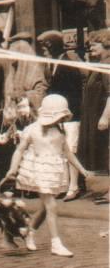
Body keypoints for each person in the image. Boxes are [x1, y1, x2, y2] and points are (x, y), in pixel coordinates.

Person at [6, 95, 90, 257]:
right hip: (38, 171)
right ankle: (56, 243)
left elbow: (67, 153)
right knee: (51, 205)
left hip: (53, 173)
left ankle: (29, 231)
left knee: (45, 207)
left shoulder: (59, 132)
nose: (59, 121)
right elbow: (19, 150)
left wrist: (82, 169)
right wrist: (13, 168)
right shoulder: (32, 130)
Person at [37, 30, 85, 201]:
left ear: (52, 46)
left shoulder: (68, 63)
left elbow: (74, 91)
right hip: (59, 115)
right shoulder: (53, 63)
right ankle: (65, 185)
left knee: (71, 148)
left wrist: (67, 113)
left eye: (45, 47)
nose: (43, 51)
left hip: (70, 115)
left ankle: (74, 186)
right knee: (62, 149)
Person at [77, 29, 110, 205]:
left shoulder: (107, 64)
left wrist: (105, 117)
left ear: (106, 45)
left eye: (94, 44)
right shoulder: (101, 63)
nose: (91, 48)